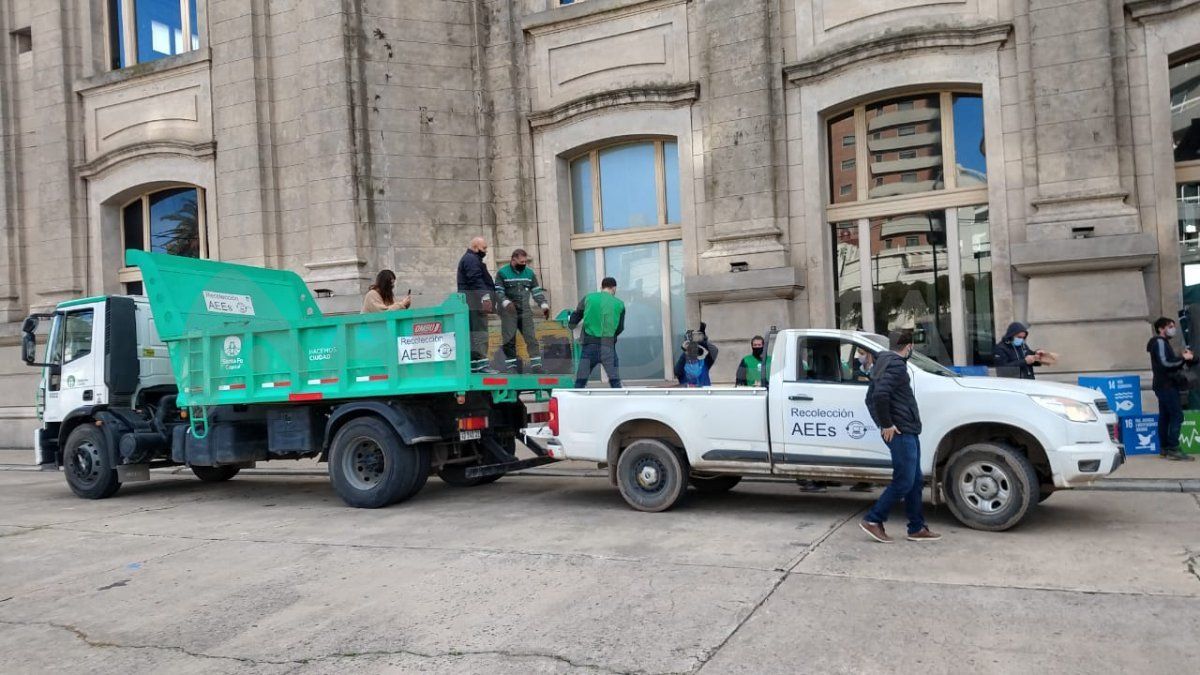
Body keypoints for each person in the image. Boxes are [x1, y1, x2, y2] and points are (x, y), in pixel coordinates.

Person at [860, 329, 941, 543]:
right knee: (905, 480)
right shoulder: (895, 364)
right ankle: (873, 519)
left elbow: (870, 398)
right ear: (909, 347)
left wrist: (882, 423)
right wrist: (887, 425)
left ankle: (916, 527)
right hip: (902, 431)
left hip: (906, 429)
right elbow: (878, 395)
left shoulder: (882, 362)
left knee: (914, 481)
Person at [1148, 316, 1197, 461]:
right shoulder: (1159, 342)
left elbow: (1168, 362)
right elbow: (1165, 364)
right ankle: (1173, 448)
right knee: (1177, 416)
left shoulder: (1162, 343)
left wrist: (1184, 358)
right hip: (1166, 386)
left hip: (1163, 385)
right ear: (1160, 329)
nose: (1173, 329)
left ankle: (1164, 448)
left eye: (1173, 326)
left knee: (1165, 417)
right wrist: (1183, 359)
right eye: (1170, 326)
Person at [495, 249, 550, 373]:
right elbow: (498, 292)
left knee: (531, 338)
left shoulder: (529, 273)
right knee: (509, 340)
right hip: (509, 312)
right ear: (513, 259)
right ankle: (511, 367)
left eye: (525, 261)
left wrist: (544, 305)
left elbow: (536, 291)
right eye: (521, 261)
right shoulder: (502, 273)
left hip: (525, 311)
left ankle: (536, 366)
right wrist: (506, 303)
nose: (524, 264)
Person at [569, 277, 625, 388]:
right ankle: (619, 403)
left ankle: (577, 404)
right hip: (608, 347)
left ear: (601, 287)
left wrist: (571, 325)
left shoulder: (588, 298)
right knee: (615, 382)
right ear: (614, 288)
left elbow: (575, 316)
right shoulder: (620, 304)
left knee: (580, 382)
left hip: (589, 346)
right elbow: (620, 328)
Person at [456, 237, 495, 373]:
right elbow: (476, 280)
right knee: (479, 333)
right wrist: (485, 298)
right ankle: (482, 365)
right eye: (484, 248)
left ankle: (474, 365)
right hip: (474, 302)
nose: (485, 251)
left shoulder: (471, 259)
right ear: (475, 247)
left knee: (474, 333)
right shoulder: (471, 260)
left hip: (471, 301)